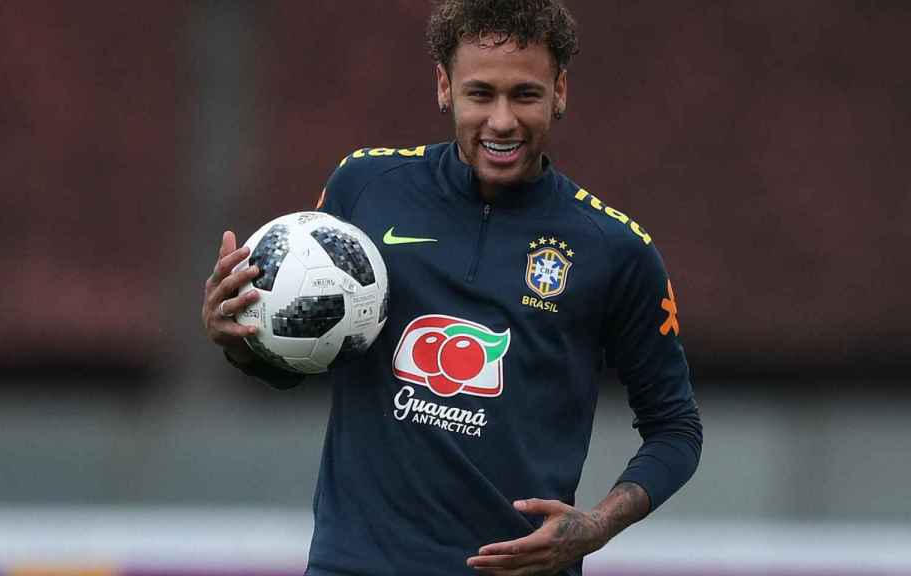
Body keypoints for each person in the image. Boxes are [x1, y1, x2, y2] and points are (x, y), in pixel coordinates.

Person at [202, 1, 702, 574]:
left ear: (560, 91)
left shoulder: (615, 249)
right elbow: (298, 364)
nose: (502, 121)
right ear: (445, 86)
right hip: (355, 563)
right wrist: (239, 338)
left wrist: (595, 525)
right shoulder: (366, 189)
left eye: (526, 95)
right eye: (481, 94)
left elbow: (676, 430)